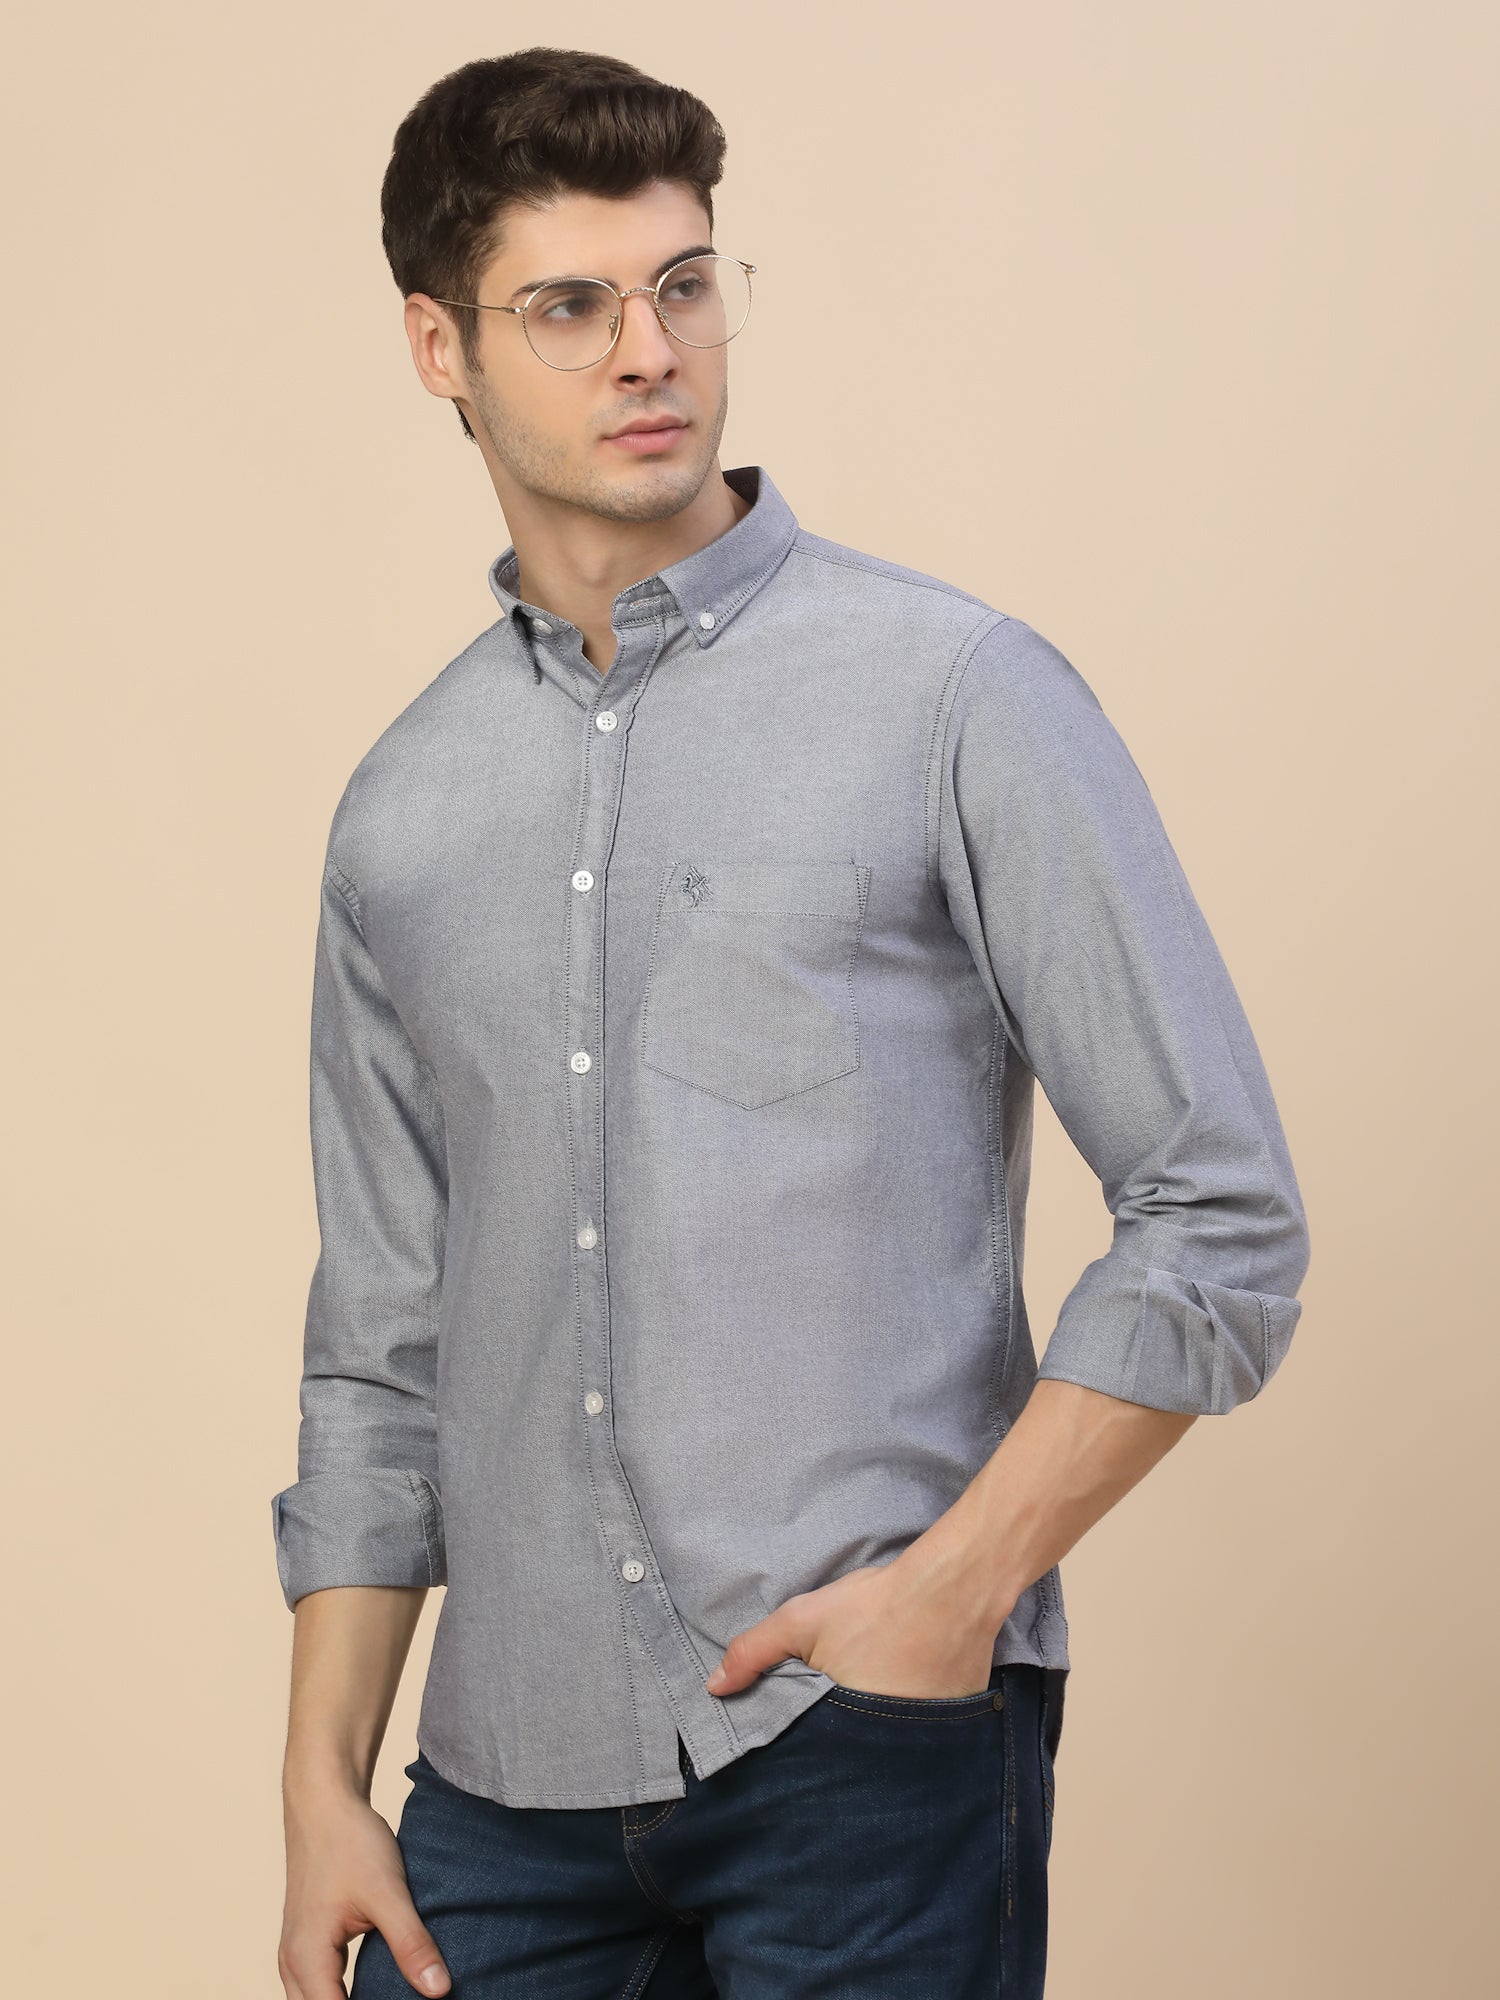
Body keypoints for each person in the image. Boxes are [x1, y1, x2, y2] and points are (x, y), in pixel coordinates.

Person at [270, 46, 1311, 2000]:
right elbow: (381, 1349)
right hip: (500, 1785)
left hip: (865, 1747)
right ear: (438, 347)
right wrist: (323, 1782)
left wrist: (953, 1595)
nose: (650, 350)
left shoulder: (955, 695)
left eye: (685, 284)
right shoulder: (403, 812)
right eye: (569, 307)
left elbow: (1221, 1215)